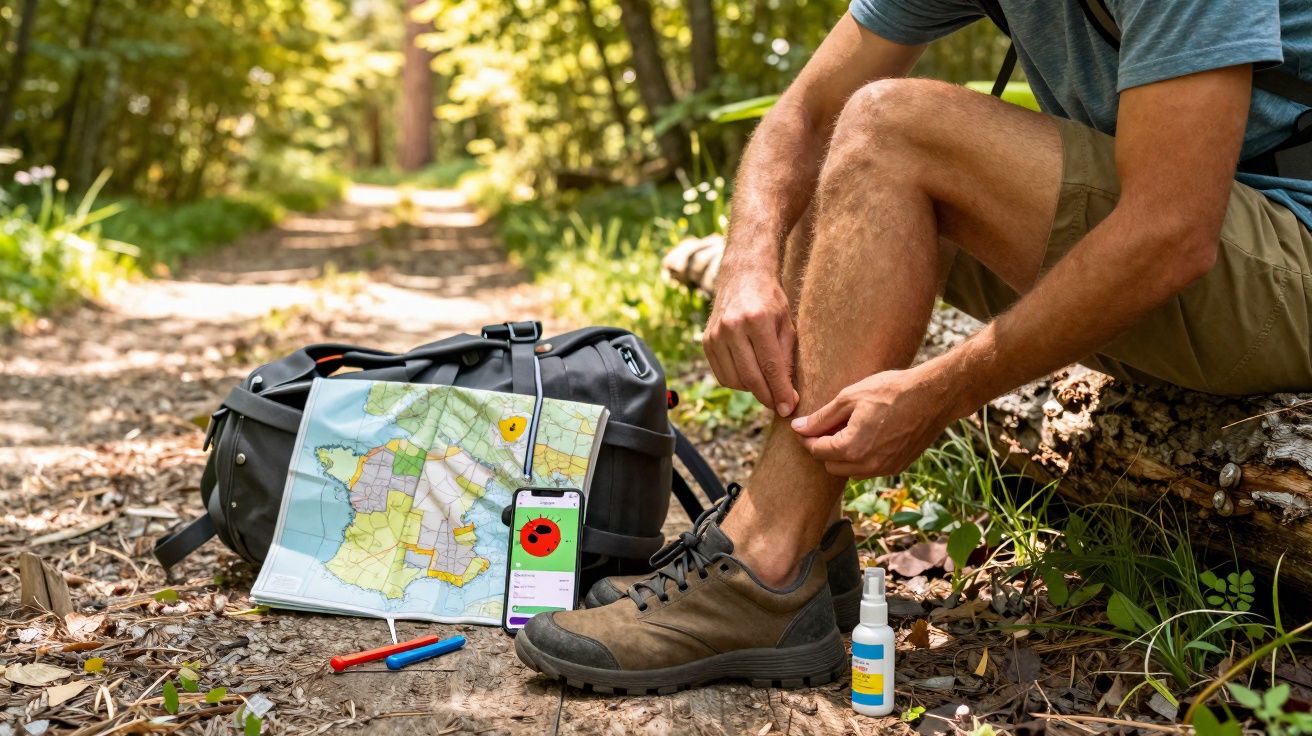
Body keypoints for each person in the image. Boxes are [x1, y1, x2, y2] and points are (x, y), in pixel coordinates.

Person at [515, 0, 1312, 693]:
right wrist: (748, 259)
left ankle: (760, 566)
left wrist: (943, 390)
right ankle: (792, 543)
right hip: (1198, 252)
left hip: (1284, 260)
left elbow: (1171, 232)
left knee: (891, 127)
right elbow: (806, 111)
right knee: (832, 147)